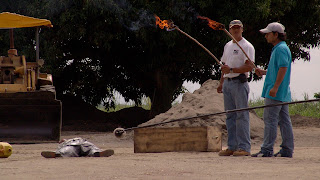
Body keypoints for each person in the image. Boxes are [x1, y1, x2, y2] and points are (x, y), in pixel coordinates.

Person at [251, 22, 294, 158]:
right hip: (282, 93)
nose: (266, 36)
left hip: (275, 92)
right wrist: (263, 72)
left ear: (276, 35)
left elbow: (283, 68)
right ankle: (287, 150)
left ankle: (267, 149)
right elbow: (277, 69)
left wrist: (274, 87)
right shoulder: (281, 48)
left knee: (270, 120)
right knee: (284, 121)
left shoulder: (280, 49)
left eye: (268, 34)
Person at [217, 20, 255, 156]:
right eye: (233, 28)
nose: (236, 30)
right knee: (230, 116)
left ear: (242, 29)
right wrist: (221, 82)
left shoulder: (247, 46)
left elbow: (250, 66)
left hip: (239, 82)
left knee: (242, 115)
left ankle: (244, 147)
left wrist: (232, 69)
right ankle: (232, 146)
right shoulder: (227, 46)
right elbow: (224, 66)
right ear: (230, 29)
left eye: (238, 28)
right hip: (228, 82)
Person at [41, 137, 114, 158]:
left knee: (67, 150)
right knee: (91, 149)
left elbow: (63, 142)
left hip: (73, 144)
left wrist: (64, 141)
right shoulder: (66, 142)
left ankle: (58, 154)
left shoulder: (67, 142)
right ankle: (98, 153)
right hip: (85, 144)